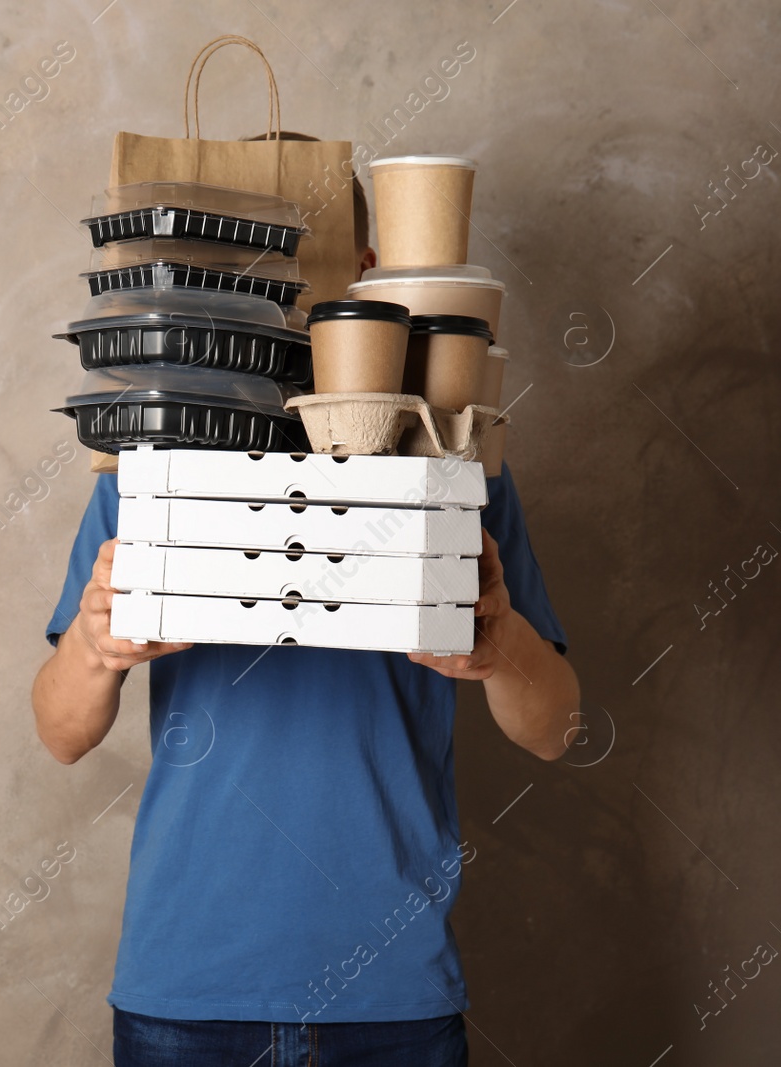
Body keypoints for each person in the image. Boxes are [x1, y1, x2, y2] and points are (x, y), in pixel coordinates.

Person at [31, 137, 580, 1067]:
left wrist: (499, 648)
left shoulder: (452, 464)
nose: (270, 295)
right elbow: (62, 730)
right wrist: (94, 647)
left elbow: (557, 724)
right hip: (188, 986)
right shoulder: (149, 472)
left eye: (299, 263)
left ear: (371, 276)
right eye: (241, 265)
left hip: (391, 993)